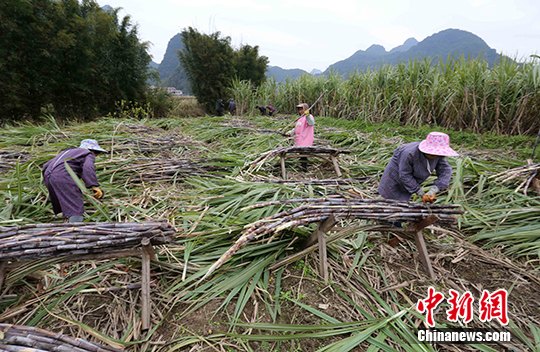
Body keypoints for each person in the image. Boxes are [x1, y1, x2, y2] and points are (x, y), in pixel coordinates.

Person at [378, 132, 459, 203]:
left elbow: (445, 170)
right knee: (392, 203)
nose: (434, 156)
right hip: (394, 179)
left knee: (403, 202)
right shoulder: (409, 153)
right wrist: (419, 191)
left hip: (412, 180)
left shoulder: (439, 156)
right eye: (431, 154)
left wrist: (435, 189)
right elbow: (405, 174)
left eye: (436, 155)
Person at [42, 139, 107, 223]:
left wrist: (49, 181)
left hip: (48, 176)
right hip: (63, 177)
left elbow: (45, 166)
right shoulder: (87, 153)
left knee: (62, 205)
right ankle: (75, 230)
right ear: (92, 150)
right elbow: (88, 168)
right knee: (75, 206)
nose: (96, 156)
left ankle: (63, 224)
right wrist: (94, 185)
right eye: (97, 153)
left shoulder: (65, 153)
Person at [289, 103, 315, 171]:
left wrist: (307, 115)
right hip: (299, 140)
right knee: (301, 154)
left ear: (305, 109)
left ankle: (304, 169)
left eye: (301, 109)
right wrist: (290, 133)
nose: (300, 111)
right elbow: (297, 128)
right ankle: (303, 166)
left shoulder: (309, 117)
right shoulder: (300, 119)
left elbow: (311, 123)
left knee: (304, 155)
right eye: (299, 109)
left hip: (305, 140)